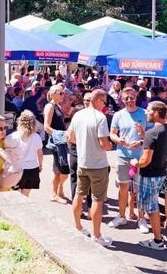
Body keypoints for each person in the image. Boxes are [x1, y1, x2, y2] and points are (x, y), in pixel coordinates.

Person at [66, 89, 113, 247]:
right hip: (98, 164)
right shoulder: (100, 117)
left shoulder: (78, 114)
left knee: (79, 195)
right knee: (97, 200)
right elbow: (103, 143)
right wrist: (109, 145)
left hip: (82, 162)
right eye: (104, 102)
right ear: (98, 101)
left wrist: (83, 144)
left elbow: (70, 137)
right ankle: (96, 235)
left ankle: (78, 226)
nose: (105, 105)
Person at [130, 101, 167, 250]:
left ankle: (158, 240)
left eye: (148, 111)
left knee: (151, 208)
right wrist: (143, 140)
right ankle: (158, 236)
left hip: (150, 174)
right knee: (152, 206)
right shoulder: (166, 129)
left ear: (155, 113)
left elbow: (145, 160)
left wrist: (135, 163)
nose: (146, 113)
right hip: (160, 172)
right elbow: (157, 143)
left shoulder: (152, 133)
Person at [108, 87, 149, 233]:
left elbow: (151, 135)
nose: (129, 100)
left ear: (136, 97)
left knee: (139, 188)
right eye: (126, 98)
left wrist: (142, 140)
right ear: (122, 99)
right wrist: (119, 140)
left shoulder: (144, 114)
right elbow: (112, 134)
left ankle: (141, 218)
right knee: (123, 186)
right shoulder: (118, 115)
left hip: (140, 156)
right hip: (122, 154)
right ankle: (121, 215)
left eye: (132, 97)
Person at [44, 85, 70, 204]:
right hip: (56, 142)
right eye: (60, 93)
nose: (62, 95)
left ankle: (58, 190)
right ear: (53, 94)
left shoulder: (57, 106)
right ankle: (54, 193)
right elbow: (46, 127)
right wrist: (60, 134)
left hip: (61, 141)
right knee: (61, 169)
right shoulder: (50, 107)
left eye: (63, 93)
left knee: (59, 169)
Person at [10, 110, 43, 197]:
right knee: (26, 195)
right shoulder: (37, 137)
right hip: (33, 168)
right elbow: (40, 153)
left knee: (15, 194)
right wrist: (40, 164)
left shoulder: (14, 136)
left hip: (18, 168)